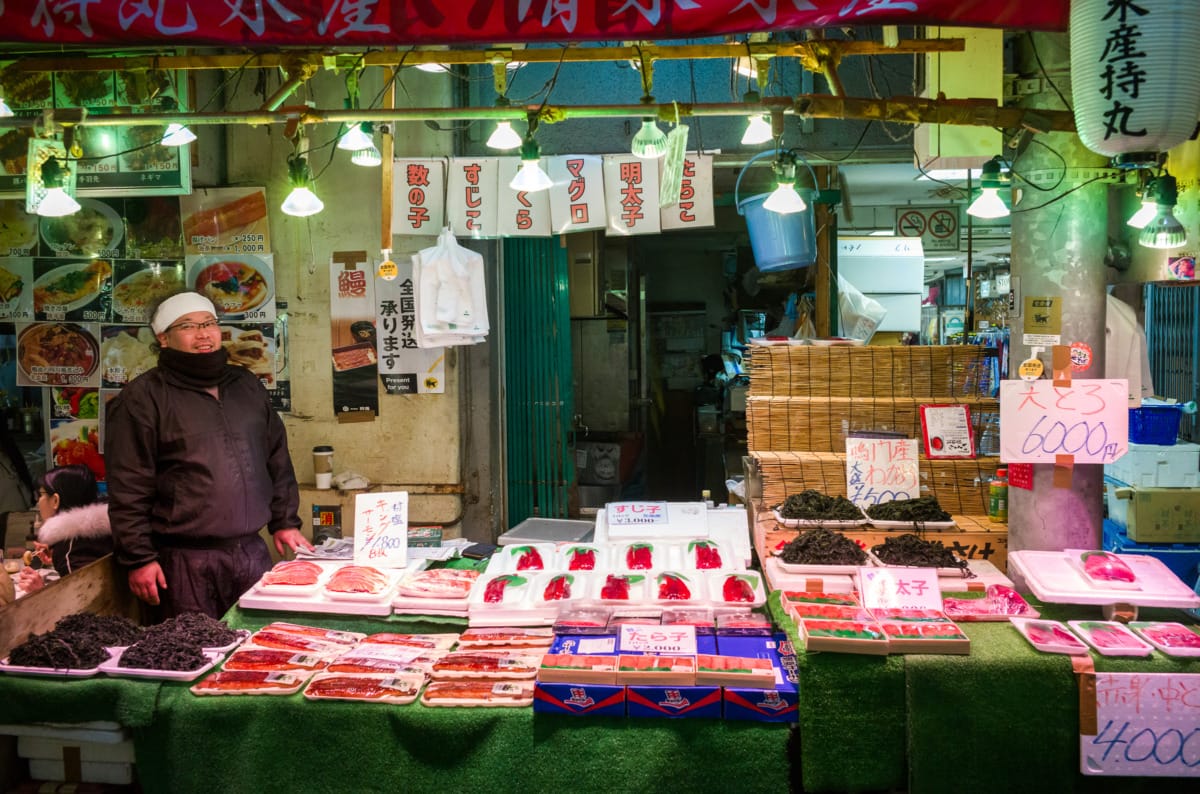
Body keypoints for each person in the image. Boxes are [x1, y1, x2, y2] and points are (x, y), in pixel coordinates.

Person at [106, 291, 313, 619]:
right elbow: (128, 485)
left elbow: (276, 457)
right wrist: (139, 558)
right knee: (197, 654)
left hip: (251, 553)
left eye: (209, 323)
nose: (203, 334)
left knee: (257, 648)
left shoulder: (245, 385)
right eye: (187, 326)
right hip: (183, 562)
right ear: (163, 337)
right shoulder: (143, 398)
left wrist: (284, 521)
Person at [17, 464, 111, 594]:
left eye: (41, 494)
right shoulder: (98, 534)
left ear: (55, 500)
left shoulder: (73, 550)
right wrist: (58, 558)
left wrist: (41, 591)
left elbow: (84, 605)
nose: (38, 502)